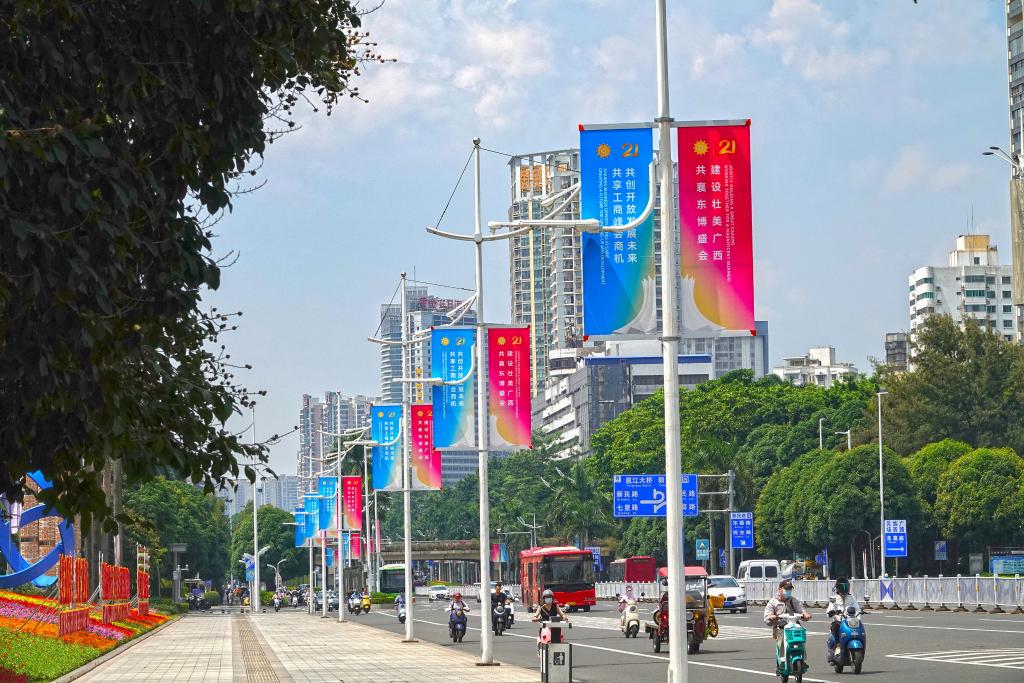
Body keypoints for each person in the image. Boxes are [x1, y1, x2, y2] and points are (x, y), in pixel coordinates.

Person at [764, 579, 811, 666]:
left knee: (801, 633)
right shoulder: (773, 602)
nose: (788, 591)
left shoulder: (793, 600)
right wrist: (771, 617)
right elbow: (767, 617)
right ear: (780, 589)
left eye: (790, 589)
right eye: (786, 589)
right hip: (780, 627)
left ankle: (802, 657)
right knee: (782, 635)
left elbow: (801, 610)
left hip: (794, 625)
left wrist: (805, 615)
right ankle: (782, 660)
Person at [826, 576, 860, 656]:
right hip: (839, 621)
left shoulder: (851, 597)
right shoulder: (834, 598)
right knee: (835, 626)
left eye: (846, 587)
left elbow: (857, 609)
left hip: (850, 621)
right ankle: (838, 645)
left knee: (860, 627)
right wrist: (832, 612)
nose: (844, 590)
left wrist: (858, 617)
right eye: (841, 587)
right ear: (837, 588)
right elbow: (829, 610)